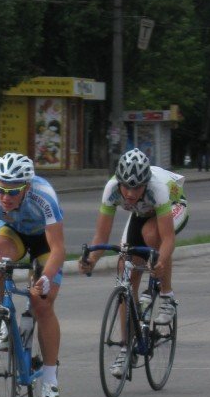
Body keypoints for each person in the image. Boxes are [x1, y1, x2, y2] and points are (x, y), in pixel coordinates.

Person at [0, 152, 66, 397]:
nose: (5, 197)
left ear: (27, 187)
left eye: (13, 192)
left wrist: (45, 278)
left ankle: (49, 380)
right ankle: (2, 311)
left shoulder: (44, 196)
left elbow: (58, 249)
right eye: (1, 189)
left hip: (44, 242)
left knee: (42, 304)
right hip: (13, 235)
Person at [79, 147, 188, 375]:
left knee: (152, 237)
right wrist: (91, 260)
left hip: (173, 206)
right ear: (118, 181)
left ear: (145, 184)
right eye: (126, 186)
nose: (129, 192)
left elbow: (168, 239)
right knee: (124, 269)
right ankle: (126, 347)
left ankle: (166, 296)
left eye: (136, 186)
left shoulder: (157, 189)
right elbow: (101, 238)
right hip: (141, 212)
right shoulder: (111, 189)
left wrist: (161, 260)